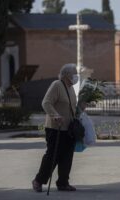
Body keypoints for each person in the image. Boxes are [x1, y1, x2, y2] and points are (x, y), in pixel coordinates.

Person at [32, 63, 78, 192]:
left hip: (69, 128)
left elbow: (72, 107)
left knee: (67, 157)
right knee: (52, 156)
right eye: (74, 74)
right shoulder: (57, 85)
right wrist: (55, 115)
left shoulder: (71, 88)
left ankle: (63, 183)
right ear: (67, 75)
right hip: (55, 128)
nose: (76, 76)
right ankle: (38, 181)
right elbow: (46, 102)